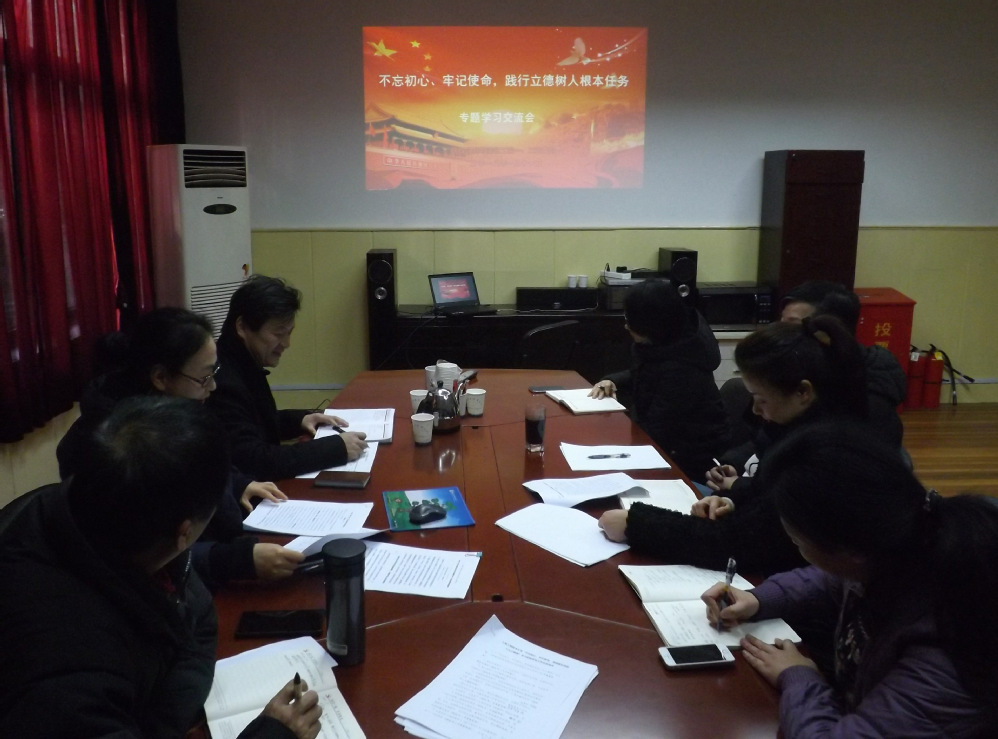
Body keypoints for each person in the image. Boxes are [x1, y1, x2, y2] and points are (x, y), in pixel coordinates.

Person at [0, 397, 322, 738]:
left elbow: (198, 618)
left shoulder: (88, 508)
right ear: (185, 533)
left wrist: (160, 722)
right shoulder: (66, 675)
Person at [702, 422, 997, 737]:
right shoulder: (902, 545)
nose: (797, 549)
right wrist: (759, 599)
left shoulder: (944, 657)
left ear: (850, 550)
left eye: (798, 542)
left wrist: (799, 676)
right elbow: (832, 581)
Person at [598, 314, 868, 576]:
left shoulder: (823, 455)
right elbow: (765, 496)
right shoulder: (796, 429)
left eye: (761, 399)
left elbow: (744, 543)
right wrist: (731, 500)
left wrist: (637, 525)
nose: (756, 410)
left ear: (803, 392)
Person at [57, 307, 304, 587]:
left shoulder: (173, 411)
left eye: (214, 372)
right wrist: (235, 560)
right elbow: (133, 558)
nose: (213, 387)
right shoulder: (120, 449)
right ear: (161, 377)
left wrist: (238, 483)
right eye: (204, 378)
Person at [208, 275, 368, 480]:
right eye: (278, 333)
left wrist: (301, 420)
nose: (286, 343)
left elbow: (254, 422)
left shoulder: (242, 360)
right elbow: (254, 461)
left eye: (289, 333)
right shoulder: (221, 383)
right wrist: (335, 448)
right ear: (242, 327)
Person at [588, 279, 730, 479]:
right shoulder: (664, 342)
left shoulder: (683, 368)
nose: (626, 325)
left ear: (650, 323)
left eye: (630, 319)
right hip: (663, 446)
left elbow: (656, 431)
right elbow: (645, 374)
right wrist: (613, 381)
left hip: (689, 463)